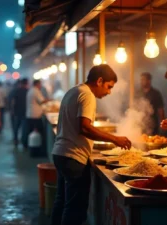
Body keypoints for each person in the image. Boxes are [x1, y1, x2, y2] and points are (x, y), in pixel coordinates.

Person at [51, 65, 131, 225]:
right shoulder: (87, 95)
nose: (109, 92)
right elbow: (85, 127)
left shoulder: (74, 91)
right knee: (75, 210)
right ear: (99, 81)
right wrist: (115, 139)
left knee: (62, 202)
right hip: (73, 158)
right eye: (108, 87)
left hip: (60, 153)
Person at [24, 80, 49, 152]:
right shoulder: (36, 91)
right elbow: (42, 101)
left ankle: (31, 147)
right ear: (37, 84)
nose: (41, 86)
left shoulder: (31, 90)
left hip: (30, 114)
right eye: (40, 84)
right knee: (38, 132)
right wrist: (49, 100)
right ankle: (37, 149)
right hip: (35, 115)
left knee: (31, 132)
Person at [11, 78, 29, 147]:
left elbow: (13, 101)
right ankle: (24, 142)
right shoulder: (28, 91)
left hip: (17, 112)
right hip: (25, 112)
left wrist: (12, 111)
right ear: (26, 83)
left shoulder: (16, 91)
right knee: (24, 129)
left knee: (16, 127)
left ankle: (15, 140)